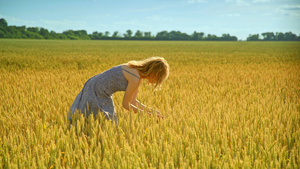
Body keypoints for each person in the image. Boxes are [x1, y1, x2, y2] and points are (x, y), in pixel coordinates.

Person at [67, 57, 169, 125]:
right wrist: (147, 114)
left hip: (93, 84)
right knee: (107, 123)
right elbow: (126, 104)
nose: (156, 81)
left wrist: (150, 110)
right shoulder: (135, 78)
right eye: (158, 78)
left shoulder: (135, 71)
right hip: (97, 90)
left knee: (102, 121)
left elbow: (133, 101)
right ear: (154, 73)